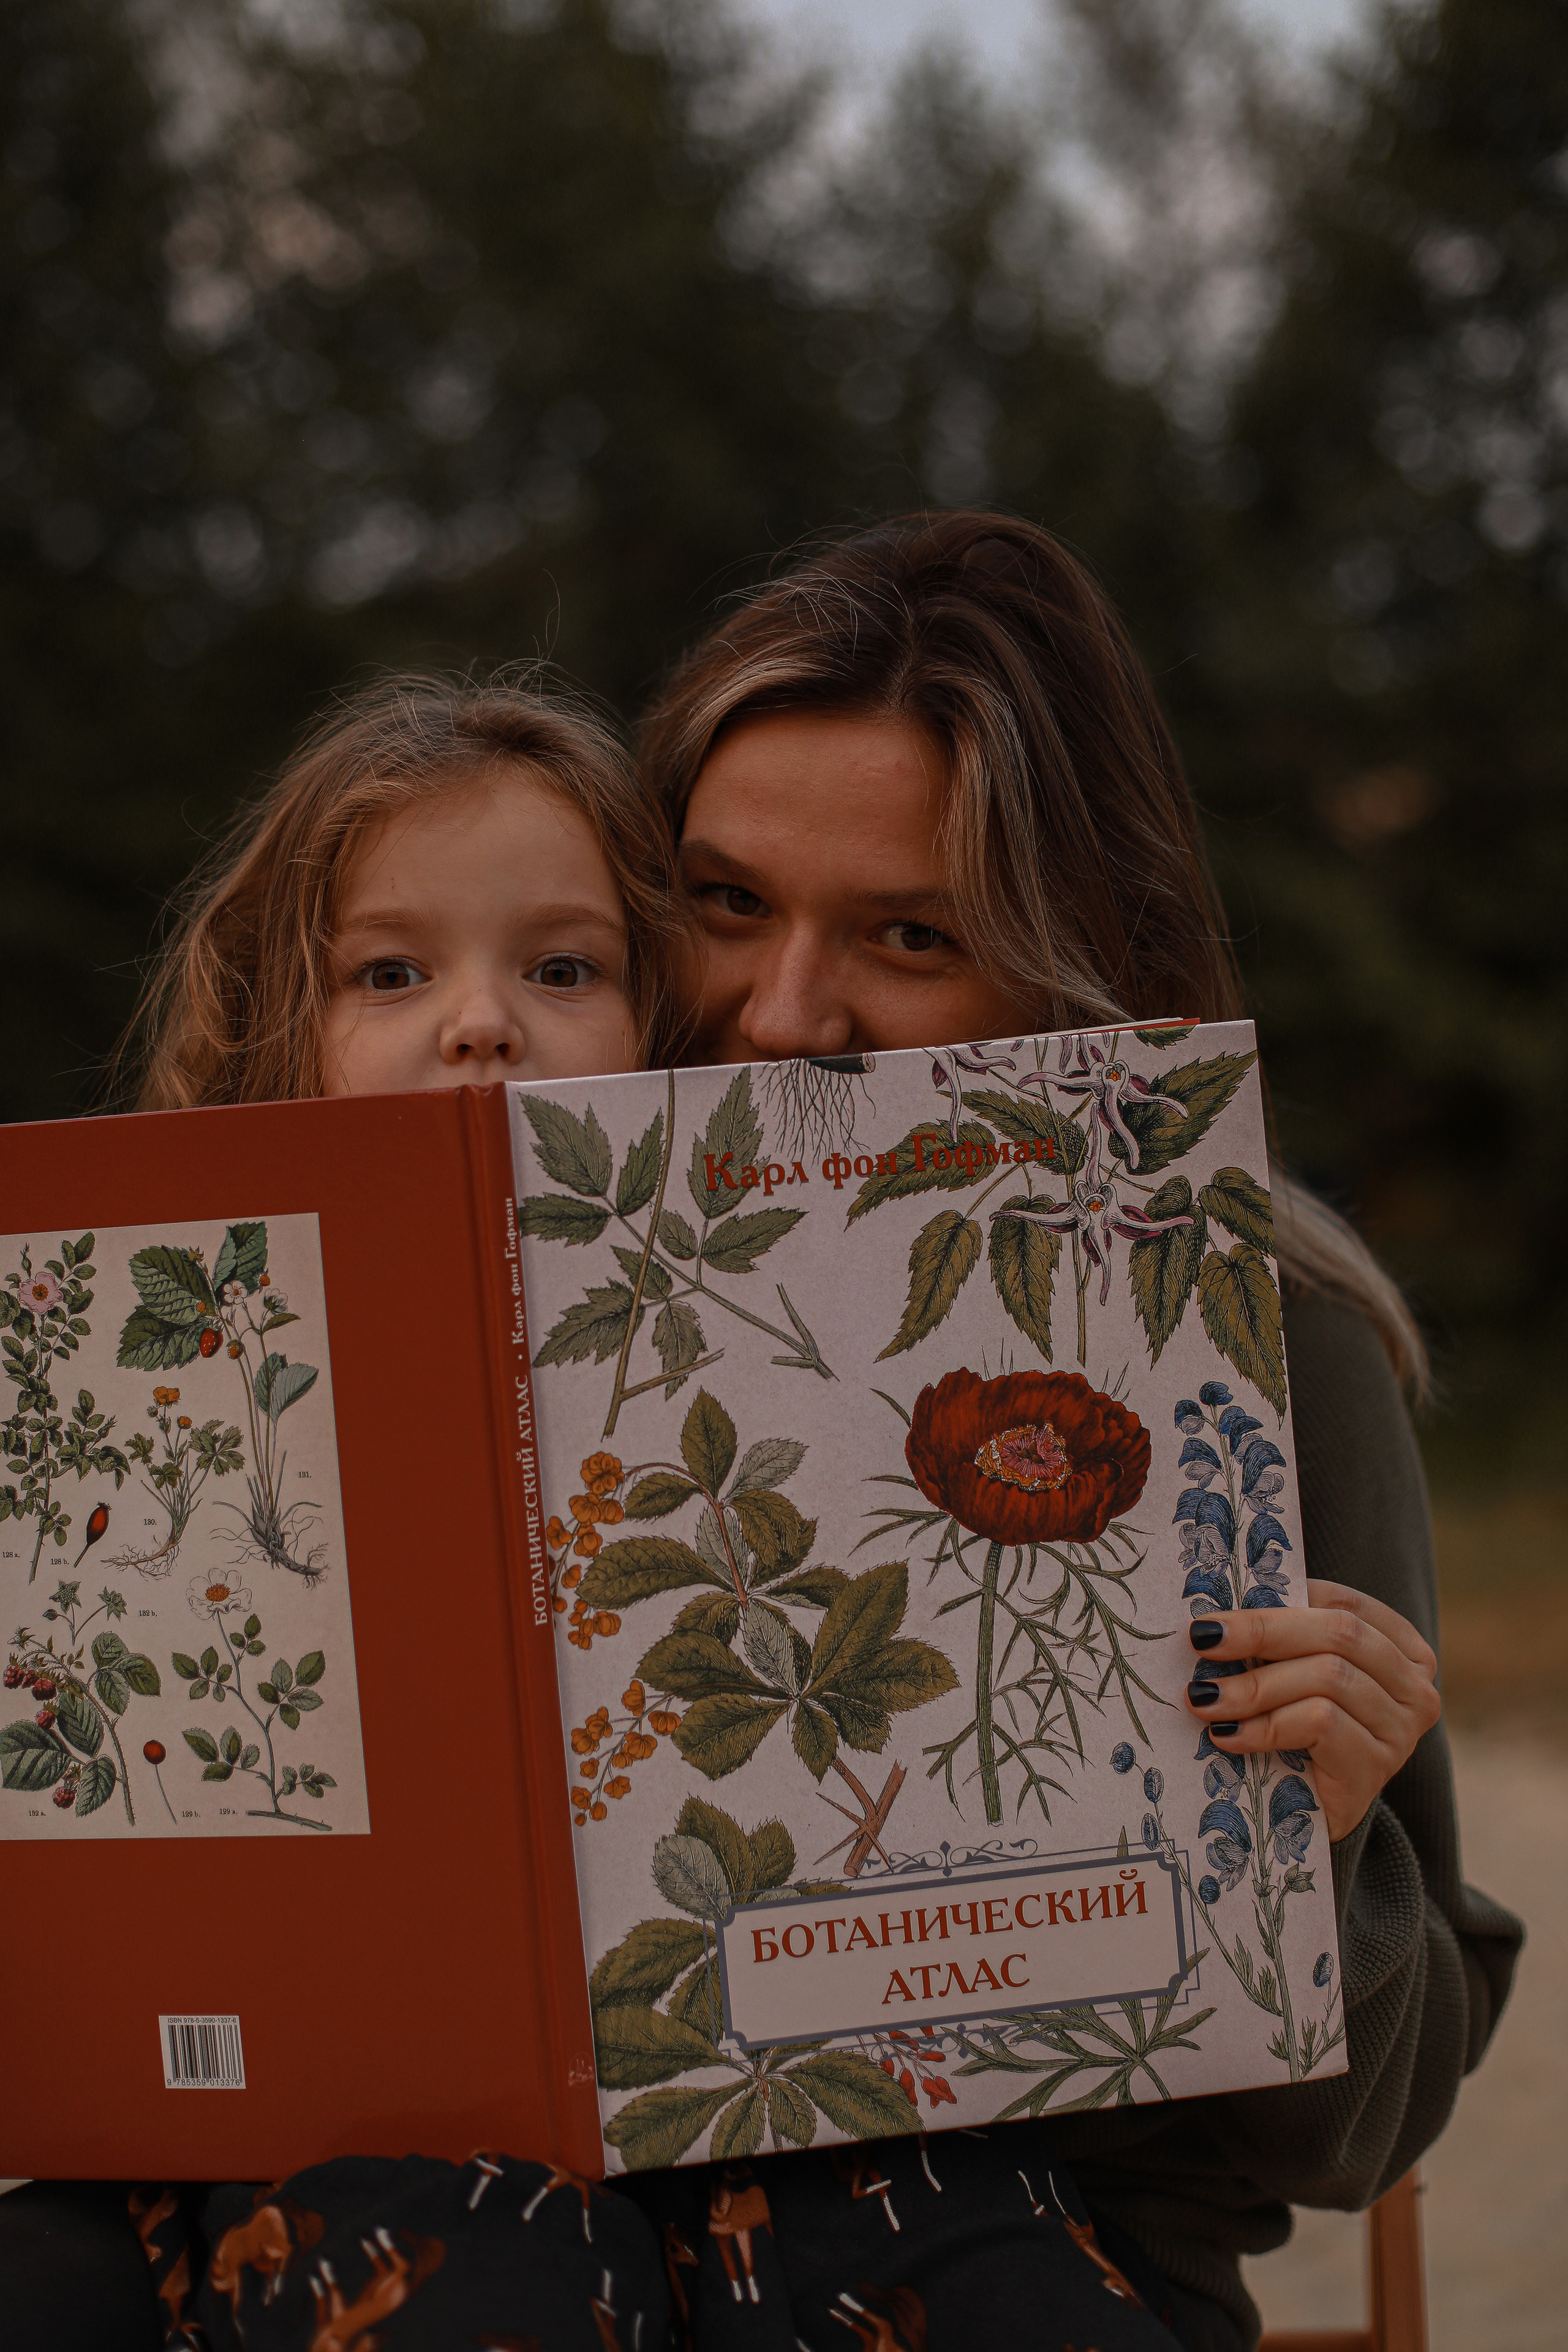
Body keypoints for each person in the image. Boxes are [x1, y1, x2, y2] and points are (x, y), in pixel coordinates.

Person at [616, 509, 1523, 2349]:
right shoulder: (455, 1249)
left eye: (910, 934)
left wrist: (1317, 1855)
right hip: (528, 2235)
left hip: (1036, 2253)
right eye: (725, 902)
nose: (782, 1017)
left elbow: (1369, 2128)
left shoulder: (1260, 1328)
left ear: (1071, 953)